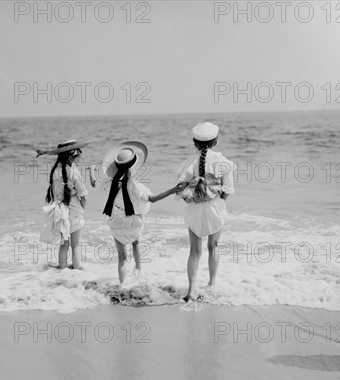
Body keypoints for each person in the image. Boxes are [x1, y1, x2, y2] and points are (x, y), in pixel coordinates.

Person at [102, 141, 182, 284]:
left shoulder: (109, 184)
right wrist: (171, 190)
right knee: (136, 244)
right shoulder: (136, 186)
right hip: (134, 223)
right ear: (133, 166)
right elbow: (153, 199)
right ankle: (138, 272)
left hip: (116, 222)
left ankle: (122, 284)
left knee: (122, 257)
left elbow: (99, 186)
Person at [176, 122, 235, 303]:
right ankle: (211, 284)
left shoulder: (189, 162)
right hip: (215, 207)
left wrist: (195, 198)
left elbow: (180, 189)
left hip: (194, 209)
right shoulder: (222, 161)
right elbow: (228, 189)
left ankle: (192, 289)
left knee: (195, 251)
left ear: (195, 143)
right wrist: (217, 202)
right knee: (213, 247)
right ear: (215, 142)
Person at [37, 140, 90, 270]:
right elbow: (82, 194)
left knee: (64, 244)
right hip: (74, 210)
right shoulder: (73, 171)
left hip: (60, 211)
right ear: (71, 157)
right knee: (76, 244)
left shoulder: (55, 170)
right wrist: (83, 206)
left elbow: (54, 193)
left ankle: (63, 269)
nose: (79, 162)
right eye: (78, 159)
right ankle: (77, 270)